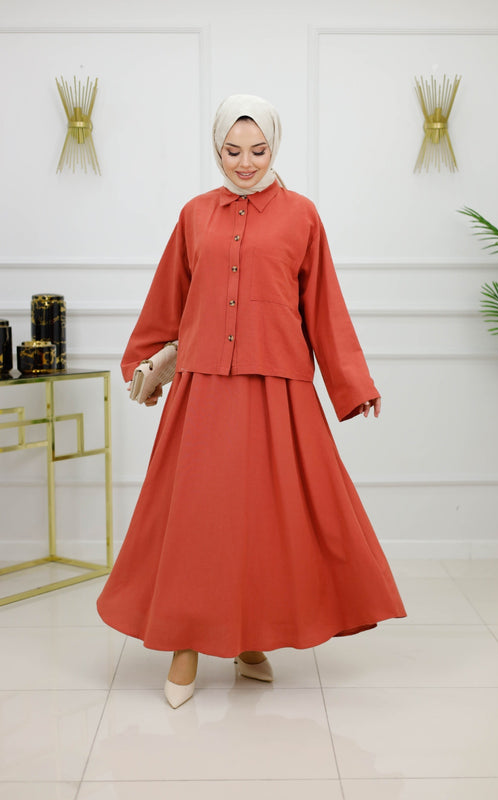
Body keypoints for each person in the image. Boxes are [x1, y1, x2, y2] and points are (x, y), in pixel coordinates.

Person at [97, 94, 406, 709]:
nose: (245, 163)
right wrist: (144, 364)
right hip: (203, 392)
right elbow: (169, 297)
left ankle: (250, 641)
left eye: (258, 151)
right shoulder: (194, 215)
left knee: (267, 524)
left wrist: (352, 383)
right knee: (197, 520)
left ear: (274, 148)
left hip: (278, 393)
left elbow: (323, 305)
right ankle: (185, 647)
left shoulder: (302, 216)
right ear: (217, 150)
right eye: (232, 151)